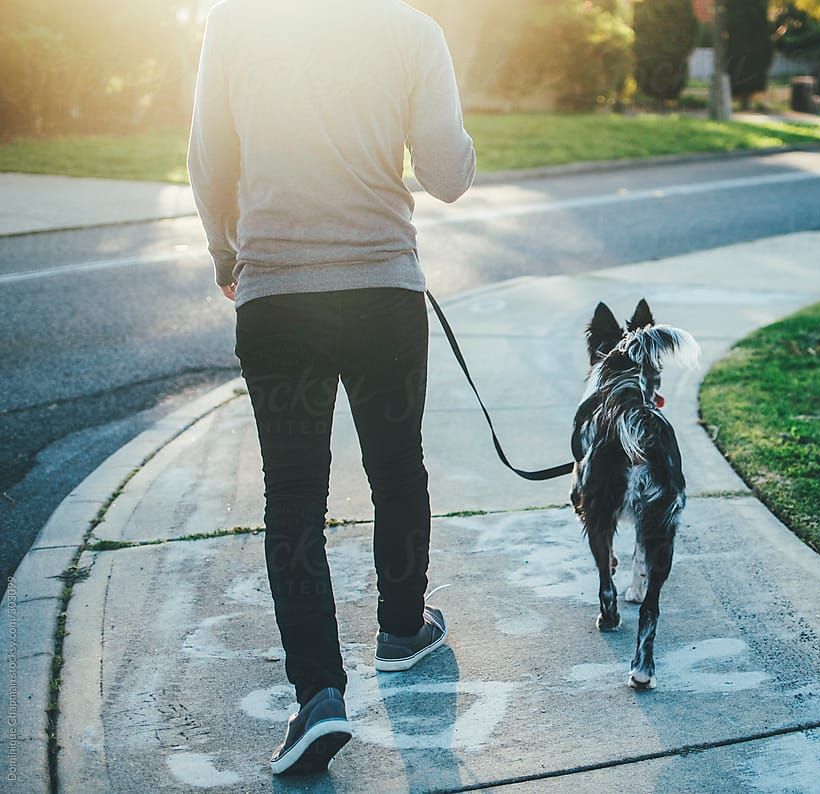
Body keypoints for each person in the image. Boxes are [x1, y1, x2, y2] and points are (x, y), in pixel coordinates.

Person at [187, 0, 475, 776]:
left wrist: (225, 251)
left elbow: (208, 155)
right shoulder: (413, 32)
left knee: (291, 495)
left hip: (276, 298)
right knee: (395, 467)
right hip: (383, 294)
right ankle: (404, 629)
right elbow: (448, 175)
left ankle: (318, 697)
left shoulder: (236, 21)